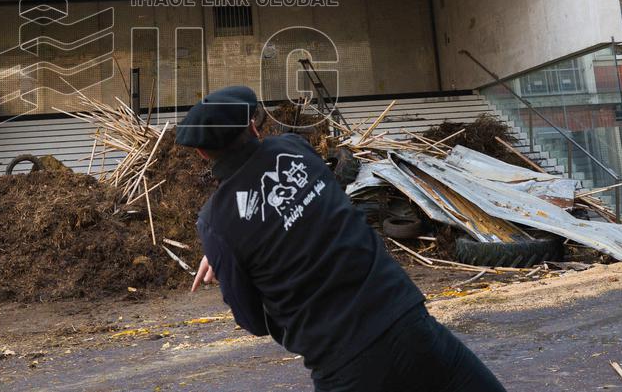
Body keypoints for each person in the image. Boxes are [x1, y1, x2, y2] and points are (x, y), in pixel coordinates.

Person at [179, 85, 507, 392]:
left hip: (344, 365)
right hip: (408, 325)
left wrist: (229, 257)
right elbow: (318, 213)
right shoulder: (294, 149)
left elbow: (254, 320)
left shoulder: (217, 223)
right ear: (253, 127)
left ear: (202, 153)